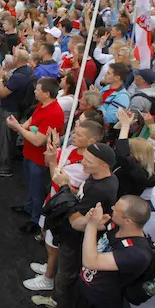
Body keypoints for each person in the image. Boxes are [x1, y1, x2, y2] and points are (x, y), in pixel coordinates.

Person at [22, 121, 103, 294]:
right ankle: (49, 267)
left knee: (53, 245)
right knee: (46, 237)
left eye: (80, 135)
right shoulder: (71, 149)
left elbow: (60, 183)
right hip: (52, 200)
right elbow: (50, 162)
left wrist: (52, 163)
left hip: (61, 209)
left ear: (91, 141)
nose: (74, 136)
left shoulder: (86, 166)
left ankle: (48, 278)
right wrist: (53, 151)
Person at [52, 143, 119, 308]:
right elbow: (80, 199)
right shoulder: (97, 176)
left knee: (66, 275)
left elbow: (76, 222)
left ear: (104, 165)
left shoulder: (102, 189)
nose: (83, 162)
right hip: (72, 237)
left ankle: (59, 302)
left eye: (89, 160)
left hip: (75, 240)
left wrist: (64, 187)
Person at [7, 77, 65, 234]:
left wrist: (18, 128)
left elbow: (38, 141)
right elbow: (32, 120)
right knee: (31, 186)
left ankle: (35, 220)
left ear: (46, 93)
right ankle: (29, 207)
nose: (34, 91)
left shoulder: (53, 113)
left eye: (37, 90)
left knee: (37, 190)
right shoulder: (43, 105)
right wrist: (20, 126)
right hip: (30, 154)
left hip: (38, 159)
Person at [75, 195, 154, 308]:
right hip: (85, 287)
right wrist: (88, 220)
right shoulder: (116, 225)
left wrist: (92, 224)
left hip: (101, 300)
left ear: (128, 221)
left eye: (116, 209)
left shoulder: (137, 253)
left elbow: (90, 261)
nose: (112, 208)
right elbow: (77, 225)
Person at [0, 49, 33, 177]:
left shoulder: (19, 76)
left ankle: (5, 166)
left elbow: (3, 93)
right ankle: (6, 158)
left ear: (18, 59)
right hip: (17, 108)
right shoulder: (26, 71)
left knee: (5, 138)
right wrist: (3, 75)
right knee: (8, 138)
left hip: (10, 109)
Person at [97, 63, 131, 127]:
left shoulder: (122, 97)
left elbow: (110, 119)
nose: (105, 75)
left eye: (108, 73)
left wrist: (97, 101)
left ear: (117, 78)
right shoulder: (107, 88)